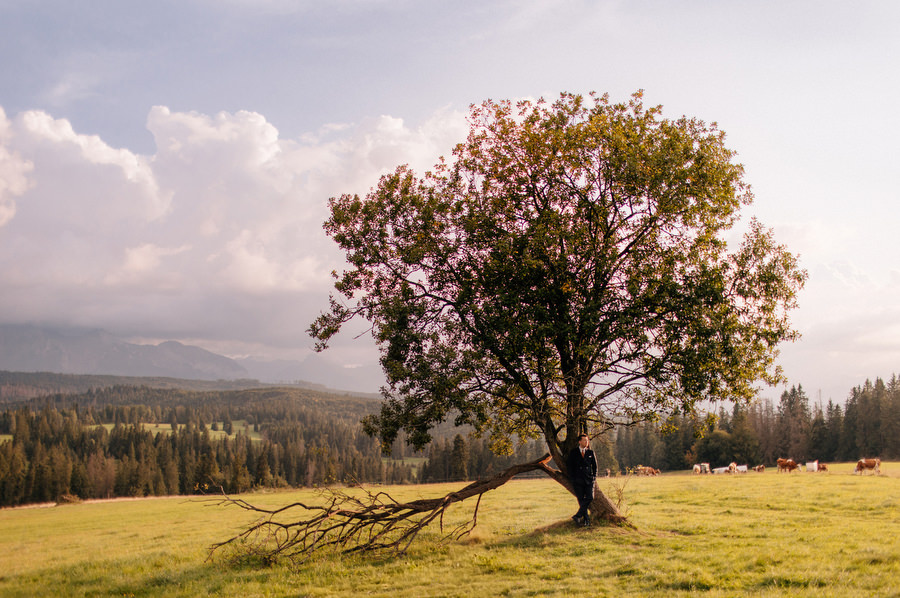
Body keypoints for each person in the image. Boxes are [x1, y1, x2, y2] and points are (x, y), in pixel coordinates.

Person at [566, 433, 597, 527]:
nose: (586, 442)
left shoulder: (590, 452)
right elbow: (569, 466)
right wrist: (573, 478)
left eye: (587, 440)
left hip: (588, 480)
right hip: (578, 481)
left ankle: (578, 515)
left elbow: (595, 467)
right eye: (584, 440)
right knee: (581, 500)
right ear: (579, 441)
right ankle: (586, 520)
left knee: (590, 497)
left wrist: (594, 477)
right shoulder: (574, 452)